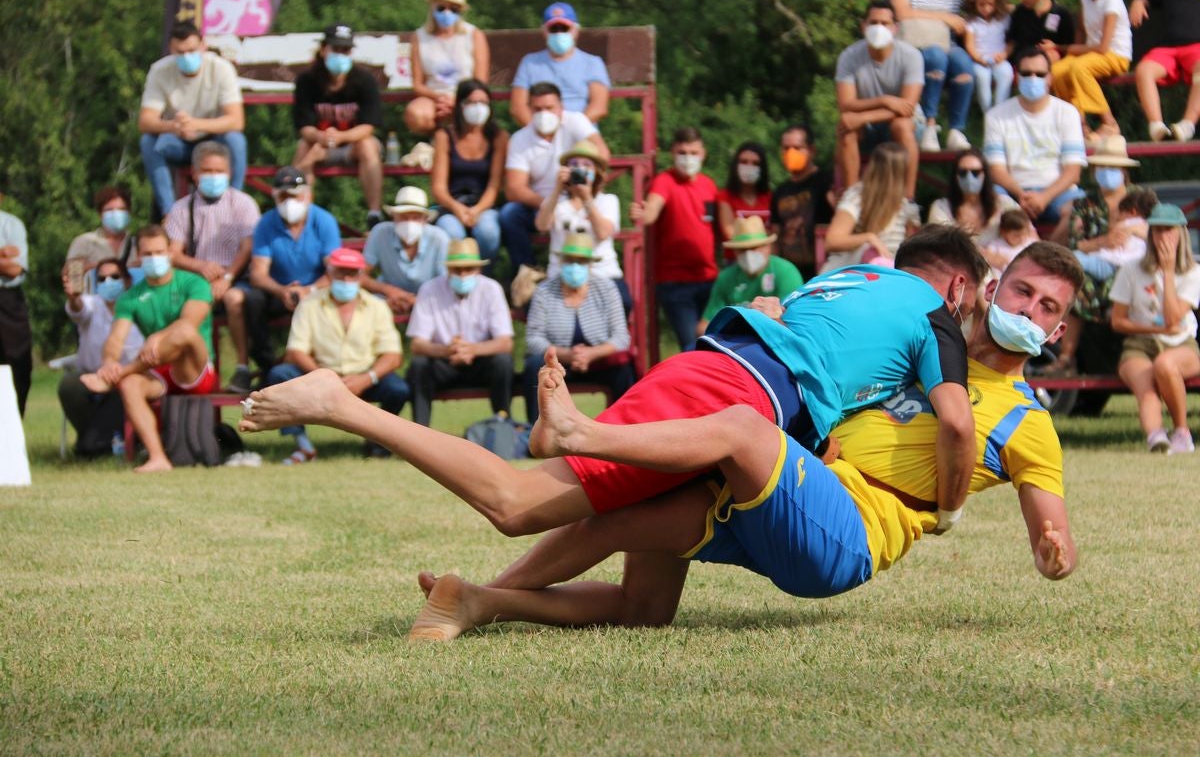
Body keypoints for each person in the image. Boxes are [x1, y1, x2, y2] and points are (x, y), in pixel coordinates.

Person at [406, 242, 1082, 641]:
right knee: (627, 556)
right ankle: (478, 600)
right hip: (778, 486)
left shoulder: (1030, 423)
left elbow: (1052, 532)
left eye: (1047, 309)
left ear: (1055, 336)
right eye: (1023, 291)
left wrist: (1054, 556)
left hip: (845, 534)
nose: (1028, 310)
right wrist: (778, 313)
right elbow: (826, 369)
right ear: (992, 288)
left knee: (739, 424)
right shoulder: (916, 347)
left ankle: (583, 430)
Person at [240, 225, 986, 543]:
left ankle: (480, 600)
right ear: (956, 287)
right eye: (977, 301)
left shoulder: (848, 277)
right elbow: (954, 422)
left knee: (647, 598)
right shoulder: (933, 311)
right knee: (516, 503)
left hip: (707, 368)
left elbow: (768, 313)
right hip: (735, 397)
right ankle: (342, 405)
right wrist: (949, 509)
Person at [80, 226, 216, 473]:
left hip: (193, 369)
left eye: (159, 252)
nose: (154, 259)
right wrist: (109, 362)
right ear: (138, 258)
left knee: (183, 333)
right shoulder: (130, 298)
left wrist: (157, 336)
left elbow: (189, 324)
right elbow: (115, 339)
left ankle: (121, 373)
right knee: (130, 384)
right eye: (148, 254)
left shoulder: (194, 282)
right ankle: (157, 458)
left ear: (170, 253)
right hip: (158, 368)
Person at [262, 248, 408, 464]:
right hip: (318, 374)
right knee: (280, 374)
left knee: (398, 389)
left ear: (360, 276)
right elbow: (295, 351)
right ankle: (303, 445)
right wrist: (324, 379)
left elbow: (393, 355)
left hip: (364, 377)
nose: (346, 279)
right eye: (341, 273)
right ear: (329, 273)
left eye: (352, 274)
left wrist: (366, 378)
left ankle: (378, 443)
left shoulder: (377, 306)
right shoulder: (310, 303)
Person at [164, 141, 259, 393]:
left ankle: (241, 368)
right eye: (207, 171)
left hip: (236, 276)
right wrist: (200, 266)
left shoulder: (243, 203)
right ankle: (192, 367)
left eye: (219, 171)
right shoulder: (181, 208)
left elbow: (247, 247)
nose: (213, 176)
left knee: (234, 300)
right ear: (195, 174)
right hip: (196, 279)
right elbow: (173, 254)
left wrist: (227, 277)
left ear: (229, 173)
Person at [1046, 135, 1142, 372]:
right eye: (1103, 166)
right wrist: (1104, 241)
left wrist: (1132, 230)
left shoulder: (1141, 199)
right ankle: (1066, 357)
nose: (1107, 171)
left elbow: (1159, 228)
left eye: (1113, 167)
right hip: (1097, 270)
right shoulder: (1083, 204)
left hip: (1136, 270)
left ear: (1124, 171)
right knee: (1073, 285)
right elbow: (1077, 244)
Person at [1111, 203, 1200, 454]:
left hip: (1182, 344)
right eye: (1157, 230)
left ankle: (1182, 433)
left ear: (1181, 233)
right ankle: (1156, 439)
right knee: (1146, 388)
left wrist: (1169, 272)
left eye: (1168, 230)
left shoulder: (1194, 272)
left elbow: (1173, 320)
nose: (1162, 237)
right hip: (1139, 345)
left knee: (1165, 365)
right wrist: (1155, 331)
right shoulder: (1131, 269)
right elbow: (1118, 321)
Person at [500, 82, 609, 280]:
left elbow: (602, 154)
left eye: (549, 108)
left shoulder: (576, 121)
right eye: (537, 109)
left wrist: (582, 194)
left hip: (578, 199)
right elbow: (514, 189)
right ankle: (527, 276)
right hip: (542, 203)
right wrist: (550, 202)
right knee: (510, 215)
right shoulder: (519, 139)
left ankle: (597, 273)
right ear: (529, 110)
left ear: (561, 108)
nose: (544, 114)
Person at [138, 21, 245, 218]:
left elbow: (236, 121)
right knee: (149, 142)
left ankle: (234, 205)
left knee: (236, 140)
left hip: (213, 141)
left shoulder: (221, 68)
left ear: (203, 45)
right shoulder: (159, 71)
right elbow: (145, 122)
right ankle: (169, 213)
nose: (187, 56)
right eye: (180, 52)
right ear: (171, 49)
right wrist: (174, 127)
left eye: (192, 50)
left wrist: (196, 124)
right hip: (178, 141)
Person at [522, 233, 632, 422]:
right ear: (561, 262)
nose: (574, 267)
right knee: (534, 366)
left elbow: (621, 337)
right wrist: (565, 354)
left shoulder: (607, 288)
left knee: (624, 368)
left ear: (590, 264)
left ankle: (623, 425)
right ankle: (538, 427)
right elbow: (533, 338)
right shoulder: (544, 291)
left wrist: (591, 354)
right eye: (570, 261)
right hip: (557, 362)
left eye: (581, 261)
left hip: (599, 361)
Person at [405, 238, 514, 427]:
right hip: (444, 361)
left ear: (478, 269)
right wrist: (448, 350)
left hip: (480, 361)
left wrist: (472, 349)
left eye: (468, 269)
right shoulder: (429, 289)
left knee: (503, 361)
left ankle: (503, 425)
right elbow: (417, 344)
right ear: (447, 269)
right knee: (419, 365)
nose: (463, 275)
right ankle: (420, 430)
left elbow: (505, 342)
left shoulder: (492, 289)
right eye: (457, 269)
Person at [245, 168, 342, 369]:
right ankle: (266, 364)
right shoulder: (266, 223)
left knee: (340, 296)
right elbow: (258, 274)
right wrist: (283, 291)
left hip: (318, 292)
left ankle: (332, 365)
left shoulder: (324, 221)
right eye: (283, 195)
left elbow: (334, 270)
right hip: (280, 292)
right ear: (275, 197)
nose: (289, 201)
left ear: (308, 195)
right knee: (252, 299)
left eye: (295, 195)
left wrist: (309, 290)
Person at [633, 127, 718, 351]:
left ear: (703, 153)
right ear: (672, 152)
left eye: (693, 152)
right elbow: (652, 209)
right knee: (692, 346)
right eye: (682, 152)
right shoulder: (665, 180)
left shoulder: (709, 185)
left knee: (718, 344)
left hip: (709, 279)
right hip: (675, 282)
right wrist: (644, 213)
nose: (687, 158)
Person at [291, 23, 385, 227]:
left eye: (346, 50)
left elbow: (368, 126)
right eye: (336, 49)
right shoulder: (307, 81)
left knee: (368, 145)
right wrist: (320, 138)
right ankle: (302, 213)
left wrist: (340, 137)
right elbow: (304, 126)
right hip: (320, 144)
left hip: (354, 145)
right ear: (324, 49)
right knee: (303, 148)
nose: (341, 55)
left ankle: (374, 213)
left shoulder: (364, 80)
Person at [983, 47, 1087, 225]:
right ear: (1017, 77)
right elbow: (996, 170)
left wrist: (1044, 197)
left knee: (1082, 211)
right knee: (988, 202)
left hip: (1058, 194)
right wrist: (1022, 196)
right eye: (1026, 73)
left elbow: (1073, 172)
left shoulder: (1068, 113)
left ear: (1049, 78)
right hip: (1012, 193)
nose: (1033, 79)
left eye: (1040, 74)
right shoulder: (995, 115)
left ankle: (1053, 253)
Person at [835, 0, 923, 198]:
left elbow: (907, 108)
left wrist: (863, 117)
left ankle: (908, 201)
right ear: (863, 25)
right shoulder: (849, 56)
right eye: (873, 22)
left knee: (901, 125)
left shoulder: (911, 56)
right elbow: (846, 104)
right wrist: (885, 100)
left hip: (902, 125)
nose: (878, 28)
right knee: (845, 128)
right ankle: (851, 199)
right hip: (867, 128)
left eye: (884, 23)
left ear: (895, 28)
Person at [59, 259, 144, 457]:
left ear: (127, 280)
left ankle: (102, 442)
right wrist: (73, 298)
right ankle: (96, 439)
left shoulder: (141, 305)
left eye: (115, 277)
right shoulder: (92, 304)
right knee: (70, 385)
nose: (108, 282)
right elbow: (78, 309)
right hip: (92, 376)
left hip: (126, 377)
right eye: (102, 279)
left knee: (131, 387)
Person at [887, 0, 974, 152]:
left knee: (963, 63)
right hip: (914, 47)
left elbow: (981, 6)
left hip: (948, 44)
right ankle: (929, 125)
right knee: (935, 57)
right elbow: (900, 13)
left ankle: (956, 129)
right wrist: (944, 17)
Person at [534, 140, 630, 311]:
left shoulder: (608, 201)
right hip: (561, 276)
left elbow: (602, 233)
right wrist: (557, 189)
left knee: (624, 302)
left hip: (603, 275)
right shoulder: (556, 202)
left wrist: (586, 198)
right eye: (574, 165)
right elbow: (542, 225)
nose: (579, 169)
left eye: (587, 165)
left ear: (597, 172)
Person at [1049, 0, 1132, 141]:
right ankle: (1078, 124)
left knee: (1078, 68)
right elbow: (1081, 29)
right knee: (1057, 70)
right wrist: (1070, 54)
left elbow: (1103, 47)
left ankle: (1109, 123)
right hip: (1090, 52)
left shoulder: (1112, 1)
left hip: (1114, 54)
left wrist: (1060, 47)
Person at [431, 80, 507, 261]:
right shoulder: (444, 136)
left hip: (485, 205)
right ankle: (455, 280)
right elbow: (438, 188)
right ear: (460, 105)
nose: (478, 107)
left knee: (488, 232)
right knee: (451, 232)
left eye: (483, 102)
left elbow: (495, 185)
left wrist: (477, 210)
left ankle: (484, 279)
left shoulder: (499, 137)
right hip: (451, 205)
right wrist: (458, 209)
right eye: (472, 102)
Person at [405, 0, 490, 136]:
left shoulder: (474, 35)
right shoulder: (419, 37)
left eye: (454, 9)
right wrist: (441, 98)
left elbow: (480, 81)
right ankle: (436, 146)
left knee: (472, 111)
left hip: (468, 96)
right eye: (441, 7)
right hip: (433, 98)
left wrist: (457, 100)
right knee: (416, 114)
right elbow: (417, 84)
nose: (447, 13)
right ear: (432, 7)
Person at [1129, 0, 1200, 142]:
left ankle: (1187, 125)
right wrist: (1139, 1)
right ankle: (1156, 126)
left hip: (1196, 49)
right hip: (1167, 49)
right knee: (1144, 70)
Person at [697, 215, 803, 336]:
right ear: (734, 252)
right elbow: (704, 325)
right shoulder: (726, 277)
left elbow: (793, 322)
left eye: (754, 248)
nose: (748, 254)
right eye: (742, 249)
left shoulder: (785, 272)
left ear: (768, 247)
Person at [510, 2, 611, 127]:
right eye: (553, 29)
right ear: (544, 31)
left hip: (581, 134)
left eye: (564, 28)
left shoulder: (593, 63)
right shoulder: (529, 63)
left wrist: (569, 131)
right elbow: (518, 107)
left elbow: (599, 108)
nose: (559, 33)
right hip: (539, 132)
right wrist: (539, 132)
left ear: (576, 30)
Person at [821, 142, 918, 272]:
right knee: (873, 255)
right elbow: (832, 241)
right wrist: (869, 237)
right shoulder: (857, 196)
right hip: (859, 271)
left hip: (891, 271)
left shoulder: (904, 204)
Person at [361, 187, 449, 314]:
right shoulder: (380, 233)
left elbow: (446, 284)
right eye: (404, 217)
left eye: (416, 217)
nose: (409, 223)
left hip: (432, 298)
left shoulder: (439, 238)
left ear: (425, 220)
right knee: (364, 306)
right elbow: (359, 275)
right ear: (393, 217)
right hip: (387, 297)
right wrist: (389, 291)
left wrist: (419, 300)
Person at [772, 124, 833, 280]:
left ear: (811, 150)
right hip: (788, 274)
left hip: (821, 272)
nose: (791, 152)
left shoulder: (826, 183)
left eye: (797, 147)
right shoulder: (780, 191)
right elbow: (775, 234)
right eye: (786, 148)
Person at [926, 147, 1021, 241]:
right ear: (955, 176)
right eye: (963, 172)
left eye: (975, 172)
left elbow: (1029, 237)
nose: (969, 177)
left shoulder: (1005, 204)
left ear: (985, 174)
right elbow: (940, 246)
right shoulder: (941, 208)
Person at [1073, 186, 1155, 283]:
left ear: (1132, 211)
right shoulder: (1149, 227)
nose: (1118, 217)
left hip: (1109, 265)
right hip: (1131, 267)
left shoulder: (1124, 224)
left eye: (1121, 213)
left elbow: (1113, 238)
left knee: (1074, 257)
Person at [1008, 0, 1076, 67]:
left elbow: (1068, 46)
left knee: (1052, 55)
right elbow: (1012, 41)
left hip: (1052, 65)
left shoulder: (1061, 14)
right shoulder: (1019, 12)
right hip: (1022, 63)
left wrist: (1055, 48)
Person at [963, 0, 1014, 113]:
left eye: (990, 4)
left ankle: (1000, 109)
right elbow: (970, 45)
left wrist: (1004, 54)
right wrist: (979, 58)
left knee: (1006, 73)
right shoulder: (971, 22)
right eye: (981, 4)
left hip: (999, 57)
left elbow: (1011, 41)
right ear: (974, 2)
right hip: (979, 59)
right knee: (982, 77)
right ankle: (987, 110)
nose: (986, 8)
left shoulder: (1004, 18)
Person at [716, 142, 772, 263]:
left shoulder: (770, 197)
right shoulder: (725, 196)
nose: (749, 166)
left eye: (755, 163)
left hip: (767, 261)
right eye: (744, 162)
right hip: (736, 261)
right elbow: (730, 233)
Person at [0, 208, 31, 416]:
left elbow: (15, 269)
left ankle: (13, 426)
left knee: (17, 363)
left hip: (7, 300)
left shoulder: (11, 223)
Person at [66, 186, 139, 270]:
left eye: (121, 209)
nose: (115, 213)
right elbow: (70, 272)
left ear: (128, 213)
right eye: (109, 210)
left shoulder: (137, 244)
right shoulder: (84, 242)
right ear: (100, 214)